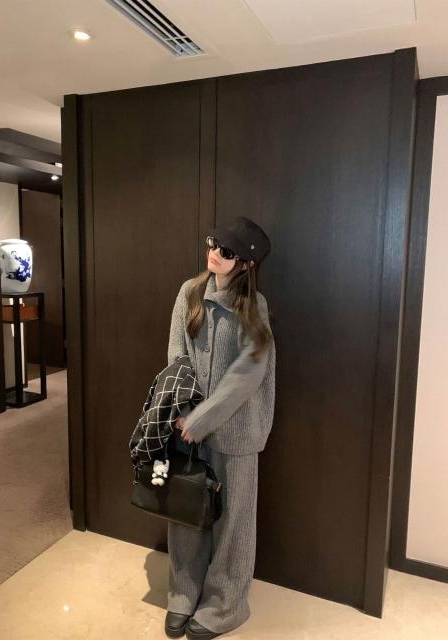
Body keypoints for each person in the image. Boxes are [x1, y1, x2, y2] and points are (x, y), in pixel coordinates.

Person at [164, 217, 276, 639]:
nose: (214, 253)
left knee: (234, 524)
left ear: (246, 263)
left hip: (237, 432)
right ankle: (183, 593)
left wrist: (203, 418)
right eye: (214, 243)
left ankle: (226, 605)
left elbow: (249, 372)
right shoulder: (189, 293)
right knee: (185, 513)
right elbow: (176, 355)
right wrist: (185, 411)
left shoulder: (254, 306)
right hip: (187, 426)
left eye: (227, 252)